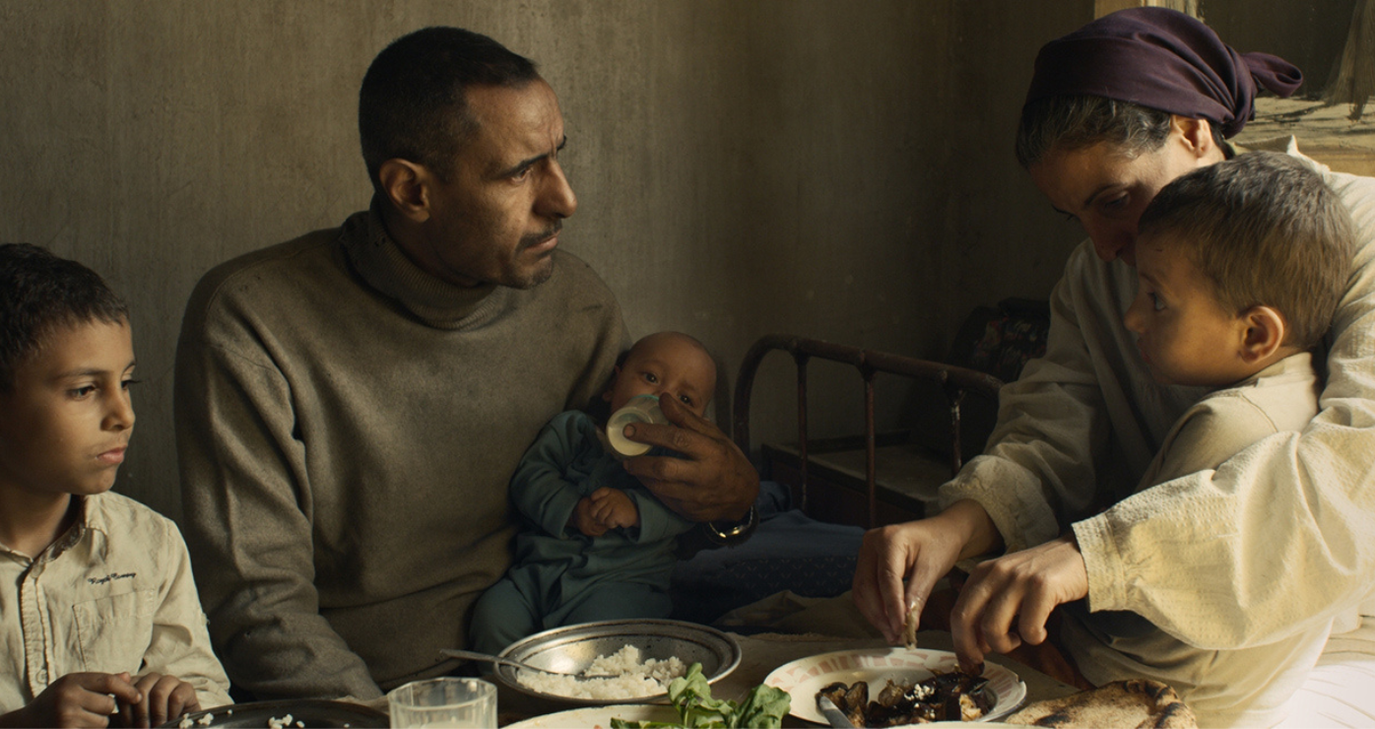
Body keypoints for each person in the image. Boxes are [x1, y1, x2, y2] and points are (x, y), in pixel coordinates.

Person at [174, 27, 758, 702]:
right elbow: (259, 606)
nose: (565, 199)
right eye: (519, 172)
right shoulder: (253, 320)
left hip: (563, 682)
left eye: (557, 156)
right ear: (411, 191)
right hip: (377, 701)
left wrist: (730, 506)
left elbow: (631, 537)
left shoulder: (576, 304)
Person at [851, 7, 1375, 727]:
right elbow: (1052, 428)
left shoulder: (1357, 233)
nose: (1103, 247)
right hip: (1138, 629)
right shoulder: (1096, 274)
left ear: (1190, 130)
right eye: (1077, 217)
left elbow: (1355, 469)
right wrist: (957, 524)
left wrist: (1098, 556)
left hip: (1333, 638)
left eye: (1116, 200)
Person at [1055, 151, 1354, 722]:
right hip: (1249, 691)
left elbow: (1136, 615)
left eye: (1156, 300)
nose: (1132, 318)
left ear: (1256, 333)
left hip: (1147, 687)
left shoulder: (1228, 424)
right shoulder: (1304, 391)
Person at [0, 244, 231, 729]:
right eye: (84, 390)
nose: (124, 415)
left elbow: (206, 690)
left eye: (126, 383)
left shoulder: (150, 542)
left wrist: (179, 700)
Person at [469, 331, 716, 654]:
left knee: (599, 645)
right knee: (492, 616)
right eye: (651, 378)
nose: (662, 399)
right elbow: (531, 477)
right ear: (613, 385)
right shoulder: (572, 430)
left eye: (685, 400)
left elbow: (687, 511)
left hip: (620, 585)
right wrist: (572, 509)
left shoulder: (676, 464)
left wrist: (635, 510)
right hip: (538, 575)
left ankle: (575, 683)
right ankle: (511, 683)